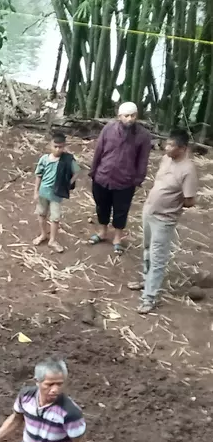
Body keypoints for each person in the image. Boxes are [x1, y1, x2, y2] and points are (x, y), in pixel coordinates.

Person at [127, 129, 198, 314]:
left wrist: (172, 204)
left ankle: (149, 298)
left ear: (182, 148)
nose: (166, 148)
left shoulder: (188, 170)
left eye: (171, 145)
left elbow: (190, 200)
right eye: (167, 144)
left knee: (158, 258)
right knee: (147, 249)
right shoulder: (167, 159)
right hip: (149, 211)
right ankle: (146, 280)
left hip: (164, 219)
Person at [88, 101, 152, 255]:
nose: (130, 119)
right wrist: (93, 171)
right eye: (126, 115)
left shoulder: (143, 135)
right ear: (119, 116)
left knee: (121, 210)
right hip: (103, 176)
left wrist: (138, 180)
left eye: (133, 115)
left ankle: (117, 238)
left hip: (125, 180)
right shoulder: (109, 128)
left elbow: (143, 160)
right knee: (101, 206)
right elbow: (99, 150)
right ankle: (102, 232)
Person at [33, 132, 80, 254]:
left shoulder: (68, 160)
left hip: (57, 194)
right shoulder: (44, 159)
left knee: (55, 218)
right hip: (43, 192)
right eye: (55, 146)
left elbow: (77, 172)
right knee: (41, 214)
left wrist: (68, 183)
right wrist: (35, 191)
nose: (58, 149)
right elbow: (38, 175)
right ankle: (43, 234)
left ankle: (52, 240)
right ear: (50, 145)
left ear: (64, 146)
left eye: (61, 147)